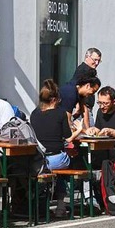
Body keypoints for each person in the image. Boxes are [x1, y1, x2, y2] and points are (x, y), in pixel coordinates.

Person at [30, 79, 84, 218]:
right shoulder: (60, 113)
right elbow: (67, 137)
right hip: (55, 159)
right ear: (54, 99)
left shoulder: (34, 113)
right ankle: (61, 203)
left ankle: (52, 204)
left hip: (37, 159)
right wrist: (79, 130)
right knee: (68, 162)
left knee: (57, 167)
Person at [86, 86, 115, 166]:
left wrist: (111, 132)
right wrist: (93, 130)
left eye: (105, 103)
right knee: (83, 155)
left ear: (114, 102)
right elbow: (98, 130)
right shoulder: (100, 112)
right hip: (104, 149)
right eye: (99, 103)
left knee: (102, 159)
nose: (101, 106)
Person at [70, 48, 102, 128]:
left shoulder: (88, 70)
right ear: (87, 57)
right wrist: (78, 105)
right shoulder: (83, 70)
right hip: (83, 109)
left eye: (99, 61)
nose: (96, 63)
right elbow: (75, 86)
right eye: (94, 60)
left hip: (85, 108)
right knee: (89, 133)